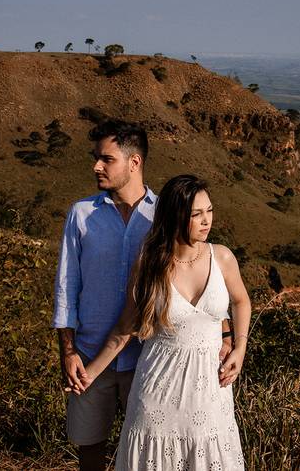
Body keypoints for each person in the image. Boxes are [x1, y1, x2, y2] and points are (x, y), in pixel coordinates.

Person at [52, 122, 231, 471]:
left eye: (106, 159)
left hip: (151, 361)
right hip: (91, 355)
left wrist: (225, 334)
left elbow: (203, 273)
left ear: (134, 163)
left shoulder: (168, 214)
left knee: (150, 457)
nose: (96, 167)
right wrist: (68, 350)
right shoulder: (81, 214)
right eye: (96, 158)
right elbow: (66, 286)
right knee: (90, 451)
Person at [81, 174, 251, 470]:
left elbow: (241, 301)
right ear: (175, 216)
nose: (206, 220)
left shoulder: (221, 257)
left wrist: (239, 347)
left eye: (209, 210)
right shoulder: (150, 263)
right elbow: (125, 328)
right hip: (157, 394)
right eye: (196, 214)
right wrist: (89, 375)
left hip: (210, 394)